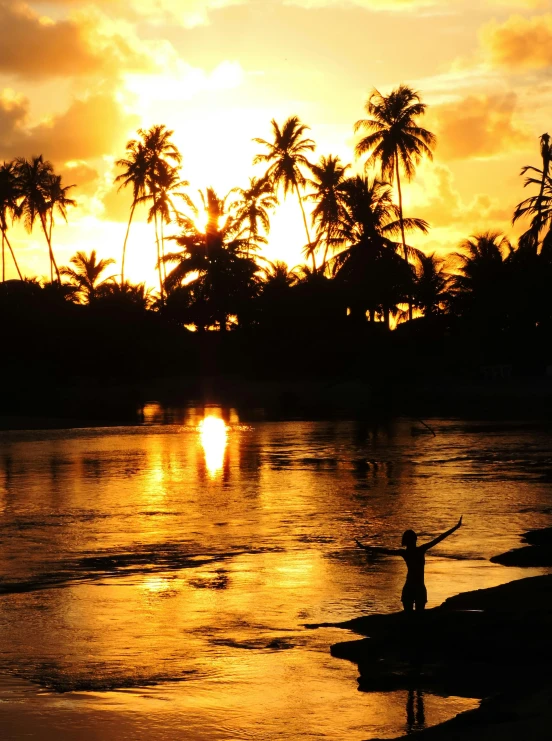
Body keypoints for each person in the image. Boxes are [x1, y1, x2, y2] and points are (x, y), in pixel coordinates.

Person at [355, 517, 463, 612]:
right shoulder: (420, 550)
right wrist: (456, 527)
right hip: (418, 587)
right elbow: (439, 538)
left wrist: (365, 547)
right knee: (418, 618)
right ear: (414, 540)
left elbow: (384, 550)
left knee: (409, 617)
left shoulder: (406, 553)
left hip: (410, 588)